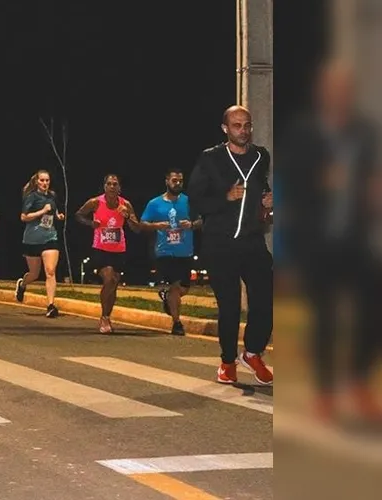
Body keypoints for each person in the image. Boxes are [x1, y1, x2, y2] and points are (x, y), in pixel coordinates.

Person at [280, 61, 381, 419]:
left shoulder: (363, 132)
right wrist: (320, 181)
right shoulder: (304, 132)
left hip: (354, 238)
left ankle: (357, 380)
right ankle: (325, 392)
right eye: (333, 88)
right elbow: (290, 185)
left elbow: (369, 176)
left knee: (374, 305)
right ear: (322, 93)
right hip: (315, 241)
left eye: (346, 89)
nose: (340, 95)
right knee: (326, 316)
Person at [187, 105, 273, 386]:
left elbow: (262, 185)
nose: (243, 131)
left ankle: (252, 352)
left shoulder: (261, 156)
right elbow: (196, 200)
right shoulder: (210, 158)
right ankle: (227, 361)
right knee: (230, 305)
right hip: (219, 242)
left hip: (252, 240)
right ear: (225, 128)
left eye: (247, 125)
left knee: (267, 296)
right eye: (237, 125)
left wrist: (267, 199)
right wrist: (225, 197)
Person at [74, 174, 141, 333]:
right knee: (109, 278)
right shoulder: (95, 202)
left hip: (119, 250)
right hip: (100, 249)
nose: (112, 187)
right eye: (109, 184)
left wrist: (127, 217)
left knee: (114, 284)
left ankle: (107, 316)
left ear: (119, 188)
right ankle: (104, 317)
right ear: (104, 187)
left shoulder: (126, 204)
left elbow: (137, 228)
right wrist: (91, 223)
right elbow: (78, 215)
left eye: (115, 184)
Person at [140, 168, 202, 336]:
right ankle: (177, 322)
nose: (177, 184)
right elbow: (142, 224)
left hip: (185, 251)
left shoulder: (189, 202)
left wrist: (191, 225)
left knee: (183, 289)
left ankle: (169, 299)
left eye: (180, 181)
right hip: (164, 252)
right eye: (174, 180)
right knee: (175, 286)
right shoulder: (155, 203)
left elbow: (201, 220)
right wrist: (156, 226)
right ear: (167, 181)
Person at [14, 170, 66, 318]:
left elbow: (53, 211)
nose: (45, 183)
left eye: (47, 180)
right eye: (42, 180)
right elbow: (24, 217)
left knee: (50, 271)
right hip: (32, 240)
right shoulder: (31, 197)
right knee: (34, 274)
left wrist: (58, 216)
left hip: (50, 237)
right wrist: (42, 211)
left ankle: (50, 305)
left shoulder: (52, 196)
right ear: (37, 181)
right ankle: (22, 284)